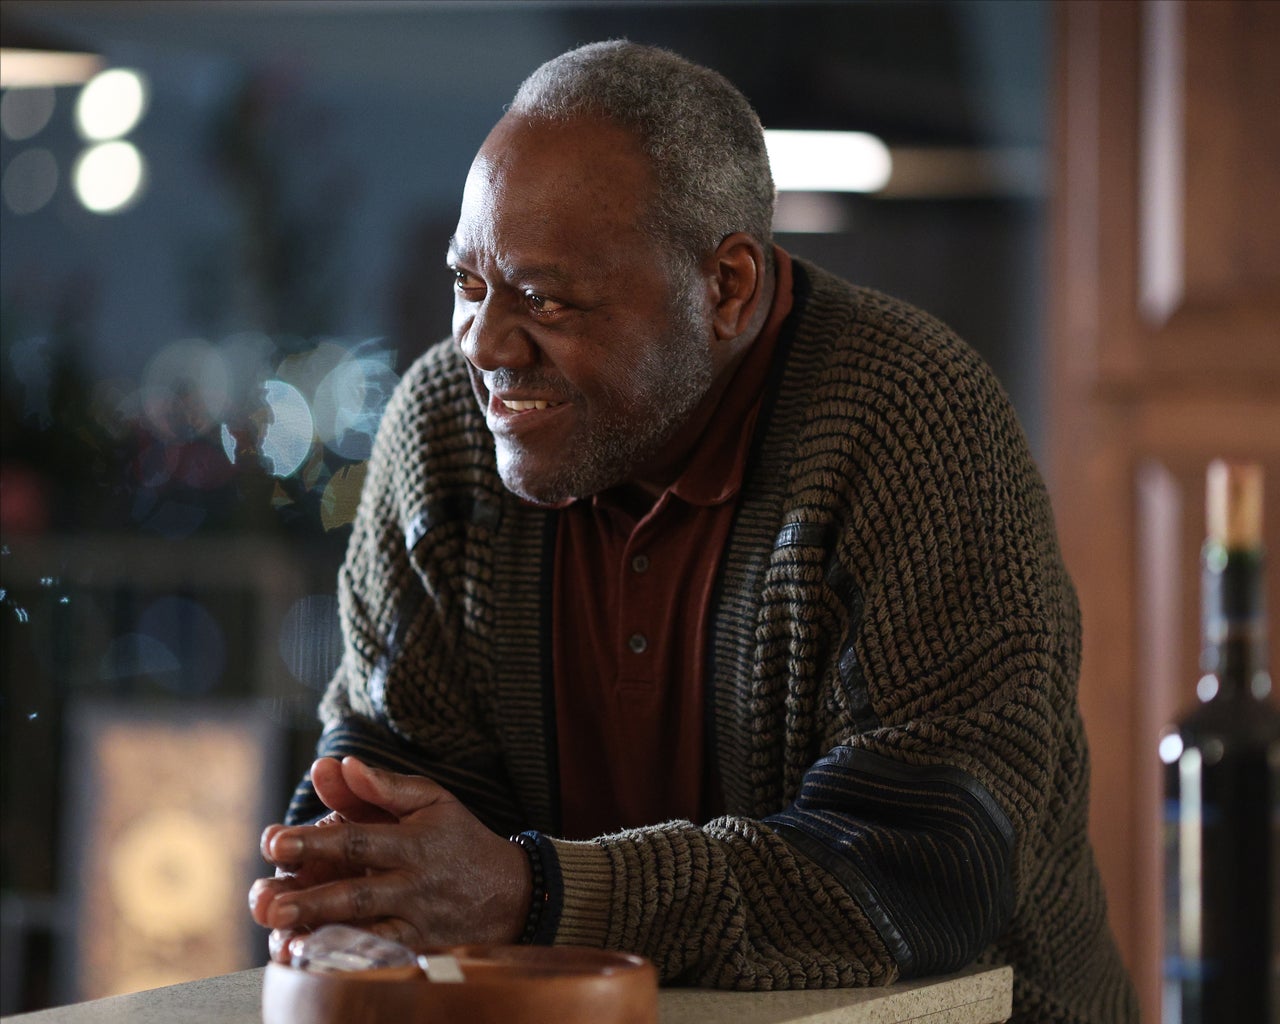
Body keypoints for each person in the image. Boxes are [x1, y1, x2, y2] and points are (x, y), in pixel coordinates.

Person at [249, 40, 1138, 1022]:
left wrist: (536, 893)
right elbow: (400, 784)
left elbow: (923, 870)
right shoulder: (442, 433)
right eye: (468, 284)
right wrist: (352, 880)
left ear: (725, 287)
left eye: (544, 297)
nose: (485, 345)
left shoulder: (906, 419)